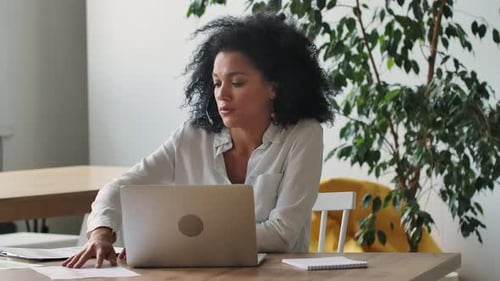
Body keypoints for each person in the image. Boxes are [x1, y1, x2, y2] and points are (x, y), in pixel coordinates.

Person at [63, 12, 335, 268]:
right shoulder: (191, 136)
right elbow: (120, 188)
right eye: (217, 83)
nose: (222, 94)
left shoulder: (303, 134)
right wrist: (101, 233)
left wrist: (173, 242)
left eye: (237, 82)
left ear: (274, 87)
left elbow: (282, 234)